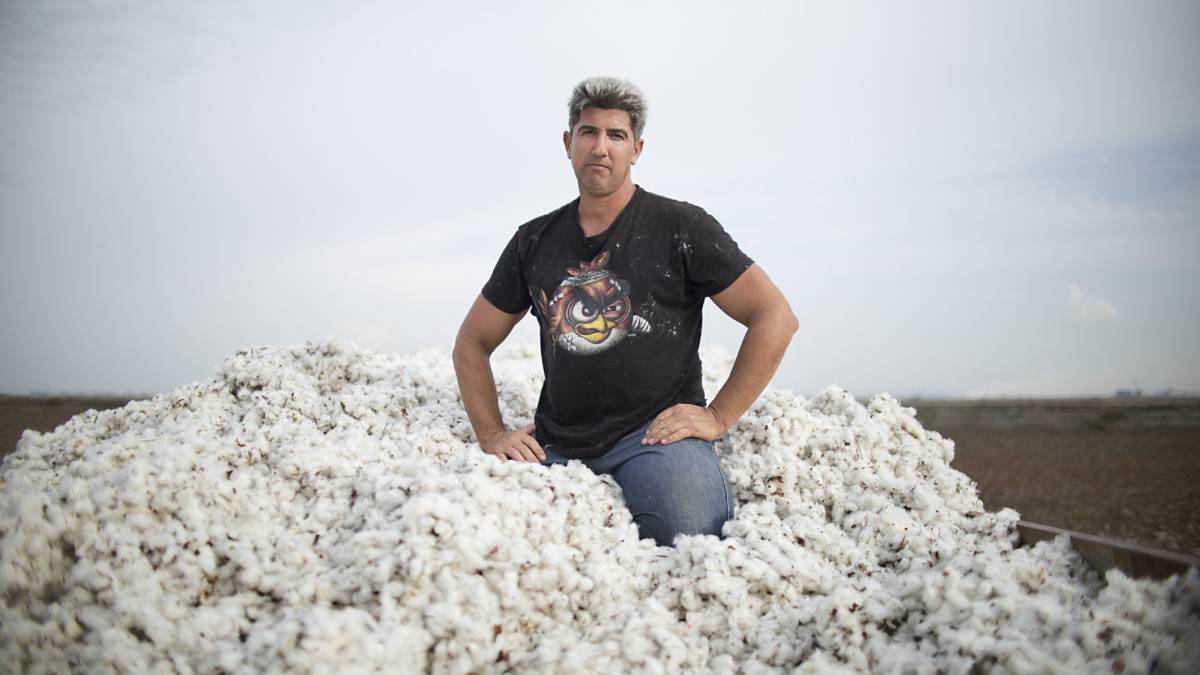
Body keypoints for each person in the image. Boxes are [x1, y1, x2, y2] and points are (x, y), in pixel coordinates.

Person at [453, 76, 798, 546]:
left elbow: (775, 316)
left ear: (636, 149)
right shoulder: (532, 241)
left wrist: (717, 416)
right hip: (555, 443)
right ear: (567, 143)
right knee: (495, 539)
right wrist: (492, 434)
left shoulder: (681, 226)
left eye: (616, 135)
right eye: (588, 132)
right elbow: (472, 343)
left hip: (655, 436)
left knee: (690, 542)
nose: (600, 147)